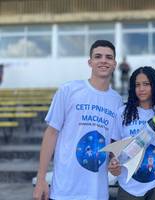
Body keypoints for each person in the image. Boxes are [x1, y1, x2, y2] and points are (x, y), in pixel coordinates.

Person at [33, 40, 123, 200]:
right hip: (65, 190)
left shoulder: (116, 101)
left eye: (109, 57)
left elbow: (112, 145)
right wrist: (41, 179)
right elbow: (51, 134)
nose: (103, 60)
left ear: (114, 63)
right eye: (98, 56)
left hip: (97, 192)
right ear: (90, 62)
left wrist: (114, 162)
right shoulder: (68, 90)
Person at [108, 66, 155, 200]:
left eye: (146, 84)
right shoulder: (123, 113)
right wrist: (114, 162)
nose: (141, 89)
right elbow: (114, 146)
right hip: (128, 185)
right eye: (137, 85)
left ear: (154, 86)